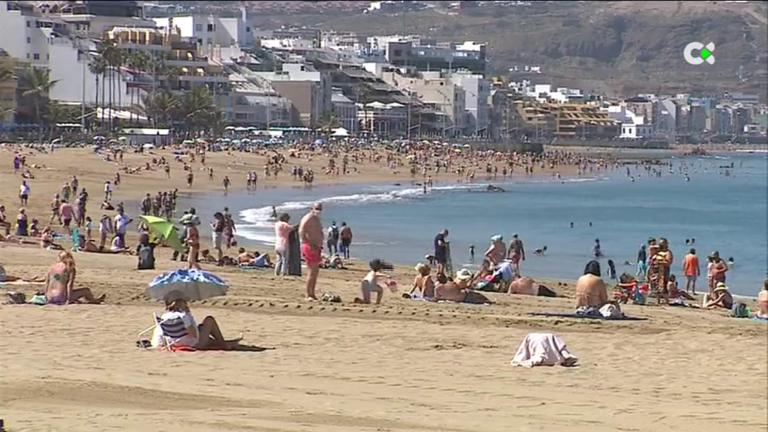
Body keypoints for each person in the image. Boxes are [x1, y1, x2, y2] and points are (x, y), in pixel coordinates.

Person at [159, 291, 241, 350]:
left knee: (202, 328)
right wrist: (189, 316)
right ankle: (223, 344)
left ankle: (226, 342)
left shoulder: (164, 316)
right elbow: (194, 334)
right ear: (180, 302)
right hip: (192, 344)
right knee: (209, 320)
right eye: (184, 301)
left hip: (173, 343)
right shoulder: (183, 316)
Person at [299, 203, 324, 301]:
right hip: (310, 247)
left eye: (320, 209)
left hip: (316, 247)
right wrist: (309, 243)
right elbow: (301, 231)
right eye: (317, 208)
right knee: (312, 271)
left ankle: (312, 294)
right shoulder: (308, 218)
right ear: (311, 208)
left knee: (315, 272)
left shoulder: (316, 219)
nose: (319, 211)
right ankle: (308, 294)